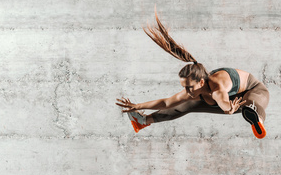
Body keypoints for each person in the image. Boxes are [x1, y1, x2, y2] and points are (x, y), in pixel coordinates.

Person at [115, 11, 269, 139]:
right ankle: (142, 121)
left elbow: (222, 101)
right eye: (185, 87)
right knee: (184, 104)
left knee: (250, 104)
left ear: (201, 82)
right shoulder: (195, 89)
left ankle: (257, 121)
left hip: (253, 91)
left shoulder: (218, 86)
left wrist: (228, 108)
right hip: (229, 101)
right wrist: (137, 106)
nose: (187, 91)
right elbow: (167, 102)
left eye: (189, 87)